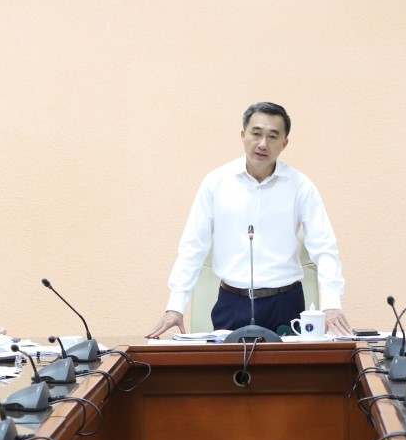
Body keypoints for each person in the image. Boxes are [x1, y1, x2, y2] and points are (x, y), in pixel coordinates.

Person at [147, 102, 351, 339]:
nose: (263, 144)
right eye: (256, 133)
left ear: (284, 143)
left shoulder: (301, 186)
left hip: (286, 303)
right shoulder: (216, 183)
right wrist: (176, 306)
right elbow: (193, 247)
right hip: (232, 302)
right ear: (243, 135)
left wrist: (331, 304)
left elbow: (324, 248)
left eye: (272, 136)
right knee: (228, 364)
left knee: (290, 364)